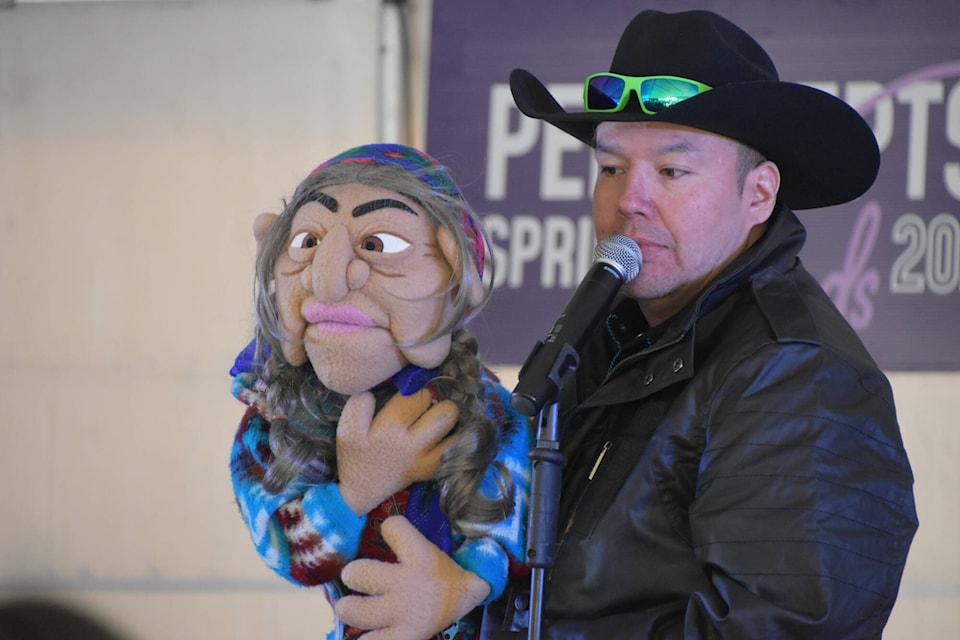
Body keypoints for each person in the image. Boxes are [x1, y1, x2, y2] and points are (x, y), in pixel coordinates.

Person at [477, 9, 919, 638]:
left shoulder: (800, 375)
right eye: (610, 168)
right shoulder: (603, 337)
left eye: (672, 171)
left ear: (759, 194)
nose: (629, 198)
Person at [229, 143, 531, 640]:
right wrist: (356, 490)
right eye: (307, 240)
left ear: (457, 276)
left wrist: (464, 585)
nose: (327, 282)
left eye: (380, 245)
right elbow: (286, 550)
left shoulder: (483, 406)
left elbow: (520, 513)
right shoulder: (275, 418)